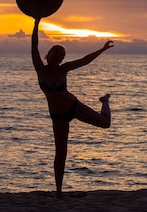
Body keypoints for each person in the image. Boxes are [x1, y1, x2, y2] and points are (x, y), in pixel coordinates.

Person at [31, 18, 113, 199]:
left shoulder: (64, 69)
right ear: (49, 54)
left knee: (105, 124)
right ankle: (59, 193)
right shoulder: (40, 69)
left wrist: (103, 49)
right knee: (61, 153)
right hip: (58, 117)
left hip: (74, 107)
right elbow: (34, 46)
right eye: (57, 52)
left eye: (62, 54)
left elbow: (85, 60)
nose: (59, 56)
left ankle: (105, 101)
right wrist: (36, 24)